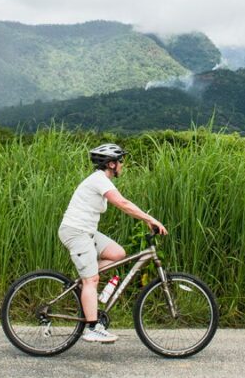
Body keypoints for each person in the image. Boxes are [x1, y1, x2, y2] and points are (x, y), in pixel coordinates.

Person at [58, 143, 167, 343]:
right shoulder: (100, 180)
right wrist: (150, 219)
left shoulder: (101, 180)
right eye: (120, 162)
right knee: (92, 280)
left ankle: (86, 278)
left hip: (87, 231)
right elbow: (123, 204)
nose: (122, 165)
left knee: (118, 254)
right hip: (75, 232)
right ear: (110, 164)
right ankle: (91, 328)